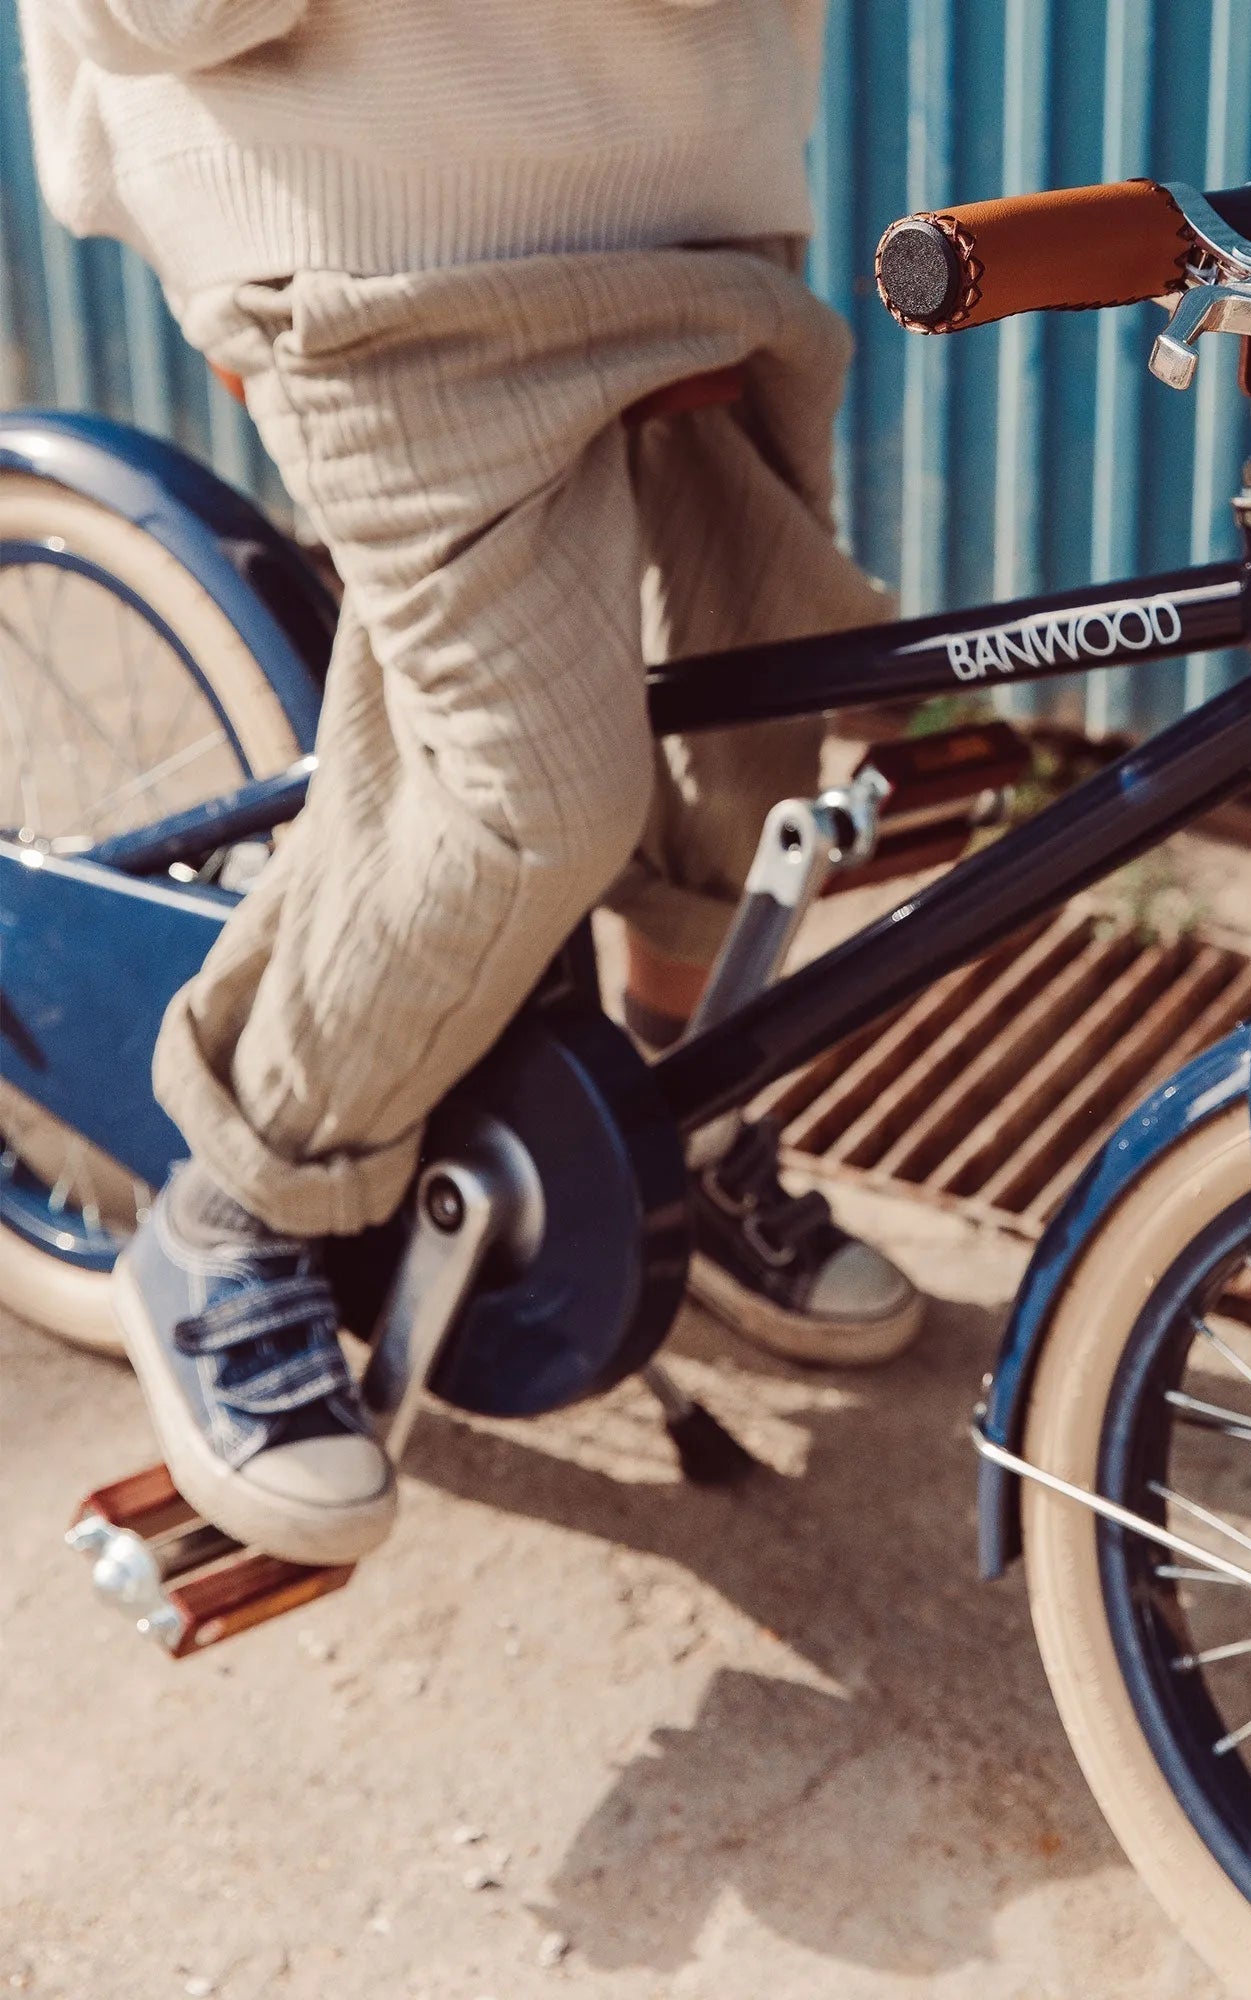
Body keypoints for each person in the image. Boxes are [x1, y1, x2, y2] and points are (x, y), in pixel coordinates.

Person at [20, 0, 924, 1569]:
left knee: (757, 734)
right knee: (527, 797)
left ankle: (680, 1133)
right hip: (377, 217)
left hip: (697, 190)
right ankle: (228, 1214)